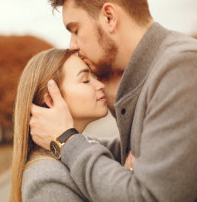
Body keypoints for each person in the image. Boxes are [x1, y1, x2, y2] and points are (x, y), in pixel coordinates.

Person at [29, 0, 197, 201]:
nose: (72, 45)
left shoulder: (181, 67)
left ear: (109, 17)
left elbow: (148, 197)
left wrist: (65, 140)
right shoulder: (157, 71)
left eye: (75, 30)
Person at [10, 48, 115, 202]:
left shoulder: (83, 146)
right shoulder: (46, 178)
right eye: (85, 80)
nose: (100, 85)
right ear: (51, 99)